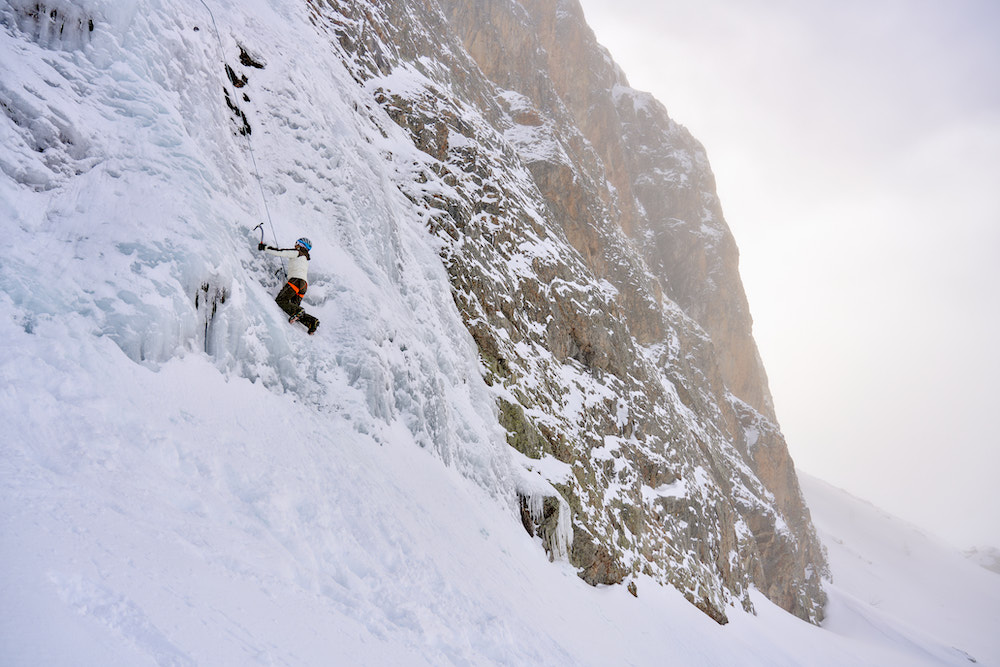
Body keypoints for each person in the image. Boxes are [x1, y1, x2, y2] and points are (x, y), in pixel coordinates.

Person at [258, 237, 320, 335]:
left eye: (297, 243)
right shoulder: (305, 258)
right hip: (303, 285)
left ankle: (299, 311)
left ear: (301, 245)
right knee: (293, 309)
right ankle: (312, 322)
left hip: (295, 281)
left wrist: (265, 248)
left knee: (281, 300)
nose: (295, 245)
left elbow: (281, 252)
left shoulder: (298, 252)